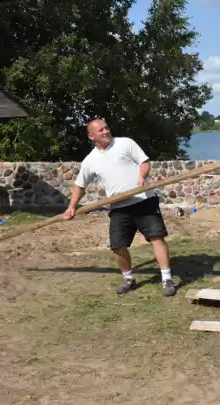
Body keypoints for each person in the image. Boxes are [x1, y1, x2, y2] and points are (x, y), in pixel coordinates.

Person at [63, 119, 176, 296]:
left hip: (143, 199)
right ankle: (129, 279)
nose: (106, 131)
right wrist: (71, 206)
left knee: (156, 237)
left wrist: (141, 176)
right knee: (117, 245)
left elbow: (144, 162)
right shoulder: (90, 160)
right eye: (100, 130)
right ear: (91, 136)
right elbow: (80, 185)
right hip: (119, 207)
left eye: (107, 128)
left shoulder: (125, 143)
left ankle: (167, 279)